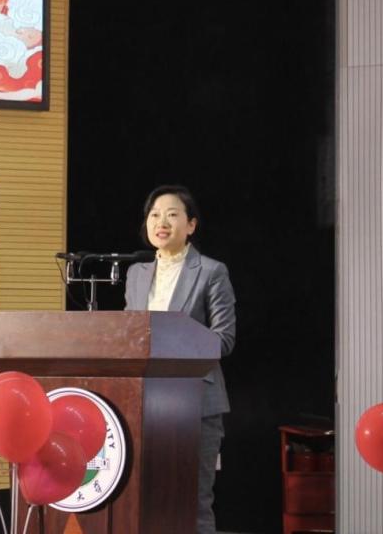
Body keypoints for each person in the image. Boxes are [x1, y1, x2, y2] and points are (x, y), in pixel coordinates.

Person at [124, 184, 236, 534]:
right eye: (155, 215)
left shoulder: (211, 271)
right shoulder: (135, 275)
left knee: (193, 502)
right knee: (147, 499)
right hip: (144, 405)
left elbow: (224, 339)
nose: (162, 222)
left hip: (196, 404)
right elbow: (128, 337)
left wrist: (170, 340)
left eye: (172, 214)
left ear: (191, 225)